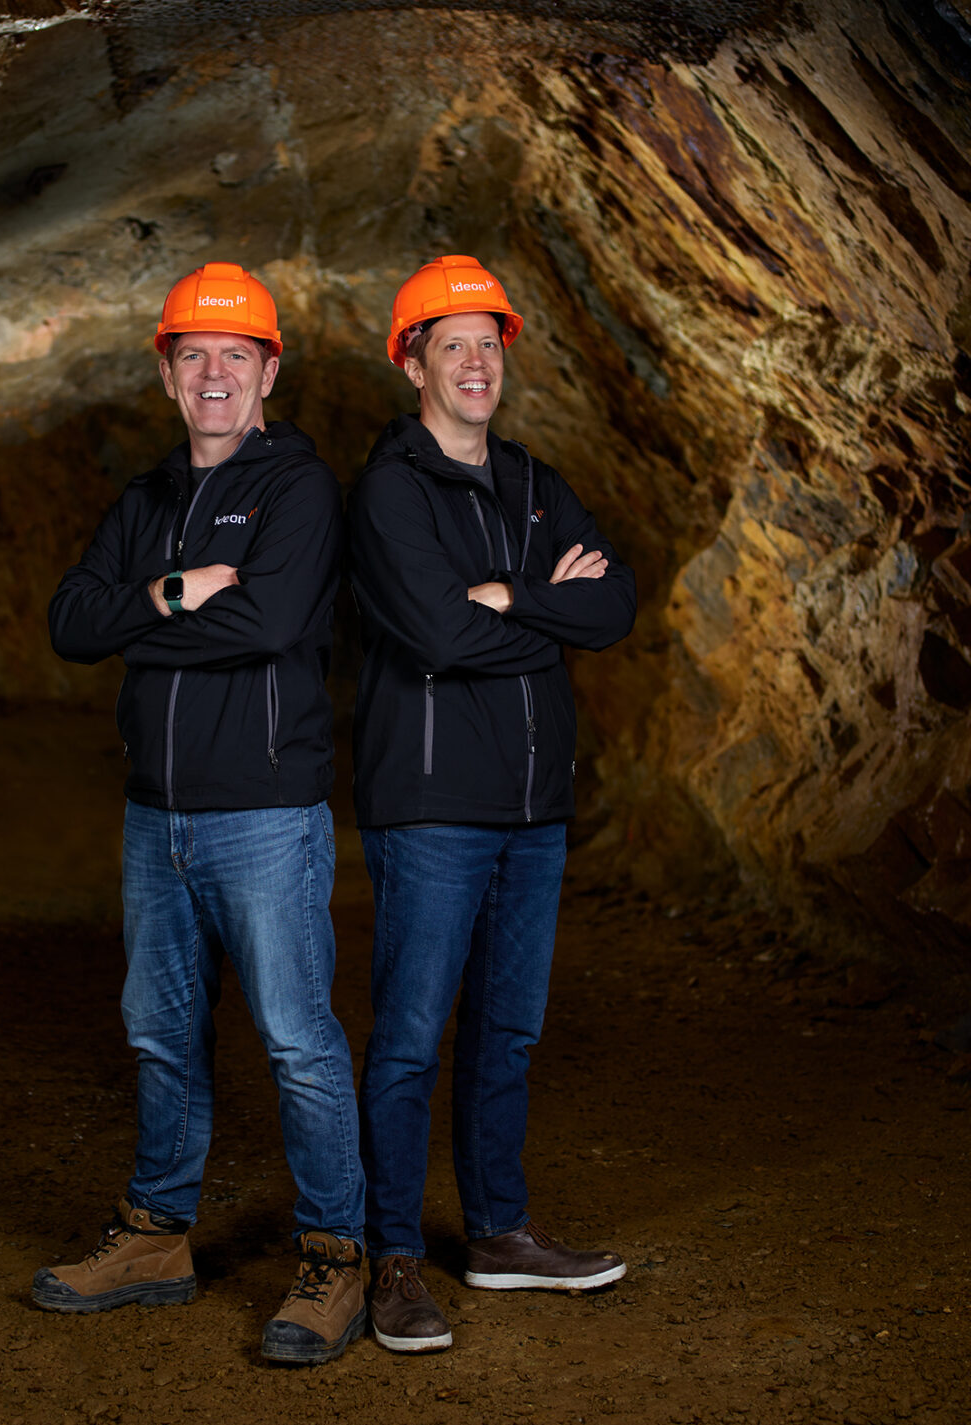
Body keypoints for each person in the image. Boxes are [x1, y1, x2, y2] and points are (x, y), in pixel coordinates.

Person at [40, 262, 366, 1366]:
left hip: (264, 814)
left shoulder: (298, 489)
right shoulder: (144, 502)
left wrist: (141, 616)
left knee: (296, 1039)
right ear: (168, 373)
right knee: (158, 1032)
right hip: (155, 819)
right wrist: (177, 592)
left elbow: (270, 625)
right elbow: (71, 624)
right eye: (194, 356)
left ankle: (335, 1258)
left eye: (235, 355)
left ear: (270, 367)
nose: (214, 373)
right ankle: (156, 1236)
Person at [345, 254, 639, 1354]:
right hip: (430, 807)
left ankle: (500, 1234)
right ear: (411, 359)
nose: (473, 362)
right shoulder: (388, 489)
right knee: (414, 1038)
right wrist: (545, 609)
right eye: (449, 343)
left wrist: (517, 593)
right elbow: (432, 634)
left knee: (506, 1034)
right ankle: (392, 1262)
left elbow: (610, 604)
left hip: (532, 809)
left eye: (487, 342)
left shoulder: (531, 482)